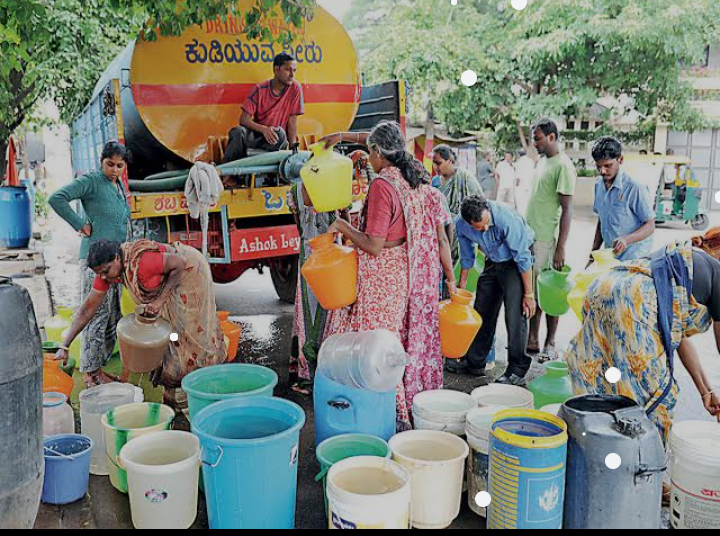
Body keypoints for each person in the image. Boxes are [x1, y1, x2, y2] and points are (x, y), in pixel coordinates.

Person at [320, 122, 456, 431]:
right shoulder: (417, 179)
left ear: (380, 153)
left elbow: (373, 245)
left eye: (370, 153)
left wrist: (342, 227)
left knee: (375, 349)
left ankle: (388, 419)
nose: (368, 159)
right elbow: (434, 237)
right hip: (406, 274)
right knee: (393, 342)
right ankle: (399, 410)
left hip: (382, 277)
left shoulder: (383, 185)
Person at [566, 240, 720, 448]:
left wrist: (706, 391)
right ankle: (644, 473)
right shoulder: (715, 273)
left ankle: (595, 462)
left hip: (603, 286)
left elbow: (678, 339)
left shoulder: (680, 262)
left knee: (603, 384)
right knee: (654, 402)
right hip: (635, 301)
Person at [55, 240, 227, 415]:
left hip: (188, 271)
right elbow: (87, 309)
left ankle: (200, 386)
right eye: (100, 274)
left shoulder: (142, 265)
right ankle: (173, 388)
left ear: (117, 258)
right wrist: (65, 344)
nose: (104, 277)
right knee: (170, 336)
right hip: (171, 271)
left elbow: (179, 264)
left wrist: (160, 300)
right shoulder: (109, 271)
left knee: (187, 335)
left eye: (106, 271)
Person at [49, 142, 131, 387]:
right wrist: (79, 224)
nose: (115, 170)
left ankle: (99, 369)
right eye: (110, 164)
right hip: (96, 263)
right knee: (94, 314)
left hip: (114, 263)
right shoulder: (92, 181)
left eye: (120, 165)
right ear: (101, 161)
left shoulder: (117, 186)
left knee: (112, 316)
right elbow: (57, 198)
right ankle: (91, 374)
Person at [446, 196, 537, 386]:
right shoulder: (462, 225)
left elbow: (522, 257)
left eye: (487, 224)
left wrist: (528, 295)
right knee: (482, 309)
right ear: (469, 223)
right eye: (479, 227)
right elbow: (467, 254)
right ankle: (474, 362)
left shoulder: (506, 218)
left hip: (516, 262)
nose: (485, 229)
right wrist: (461, 283)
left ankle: (517, 370)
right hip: (493, 258)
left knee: (515, 313)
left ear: (488, 210)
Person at [287, 182, 348, 396]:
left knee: (306, 314)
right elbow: (345, 224)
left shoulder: (294, 192)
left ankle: (307, 376)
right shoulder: (337, 188)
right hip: (333, 258)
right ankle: (329, 374)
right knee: (332, 312)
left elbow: (299, 227)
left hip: (308, 255)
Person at [526, 118, 577, 361]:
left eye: (538, 138)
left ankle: (550, 342)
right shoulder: (543, 161)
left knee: (550, 293)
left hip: (548, 239)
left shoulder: (563, 165)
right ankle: (533, 338)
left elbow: (567, 209)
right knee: (533, 291)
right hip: (532, 235)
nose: (534, 143)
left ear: (552, 137)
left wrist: (561, 248)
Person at [222, 53, 304, 163]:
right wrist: (264, 130)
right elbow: (244, 120)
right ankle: (227, 176)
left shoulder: (295, 88)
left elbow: (292, 122)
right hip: (257, 136)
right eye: (288, 70)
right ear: (276, 70)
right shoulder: (259, 89)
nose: (292, 75)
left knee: (280, 133)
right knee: (237, 132)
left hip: (276, 139)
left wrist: (293, 151)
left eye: (294, 70)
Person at [591, 137, 655, 262]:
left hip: (634, 257)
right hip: (610, 256)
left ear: (620, 160)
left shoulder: (635, 188)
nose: (602, 171)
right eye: (598, 166)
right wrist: (594, 252)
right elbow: (602, 219)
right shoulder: (598, 185)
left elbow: (650, 225)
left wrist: (626, 239)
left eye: (608, 165)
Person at [432, 144, 484, 264]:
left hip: (462, 234)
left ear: (450, 160)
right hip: (440, 234)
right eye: (434, 163)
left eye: (439, 163)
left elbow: (480, 205)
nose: (435, 167)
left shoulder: (466, 178)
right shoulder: (435, 182)